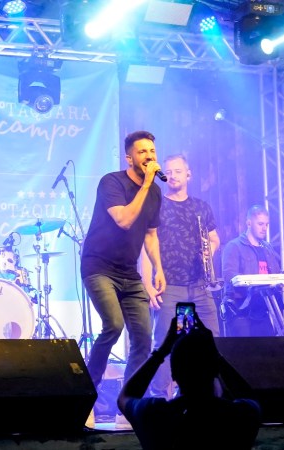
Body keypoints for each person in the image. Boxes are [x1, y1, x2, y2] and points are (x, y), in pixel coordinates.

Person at [81, 130, 166, 429]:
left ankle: (127, 405)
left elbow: (151, 234)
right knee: (114, 325)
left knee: (143, 337)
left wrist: (158, 268)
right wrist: (146, 185)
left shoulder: (155, 193)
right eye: (143, 152)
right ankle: (85, 400)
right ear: (129, 158)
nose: (149, 157)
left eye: (152, 152)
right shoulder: (112, 183)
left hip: (129, 272)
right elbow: (125, 219)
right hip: (99, 267)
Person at [139, 153, 221, 398]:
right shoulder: (157, 205)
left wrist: (208, 251)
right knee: (166, 344)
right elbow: (146, 247)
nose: (173, 176)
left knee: (210, 339)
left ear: (188, 174)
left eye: (178, 171)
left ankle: (206, 395)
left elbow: (214, 238)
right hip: (170, 287)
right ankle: (159, 399)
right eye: (169, 172)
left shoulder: (201, 207)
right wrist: (147, 284)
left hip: (199, 286)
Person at [118, 315, 261, 450]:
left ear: (173, 374)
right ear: (215, 370)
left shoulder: (156, 415)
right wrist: (215, 354)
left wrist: (162, 351)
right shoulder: (238, 416)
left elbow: (125, 397)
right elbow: (252, 399)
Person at [220, 205, 283, 338]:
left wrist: (283, 277)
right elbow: (229, 274)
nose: (264, 228)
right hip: (241, 310)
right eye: (260, 224)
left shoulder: (267, 248)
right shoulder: (234, 246)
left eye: (266, 224)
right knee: (245, 350)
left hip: (262, 308)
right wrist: (253, 283)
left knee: (268, 348)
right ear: (249, 223)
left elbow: (275, 275)